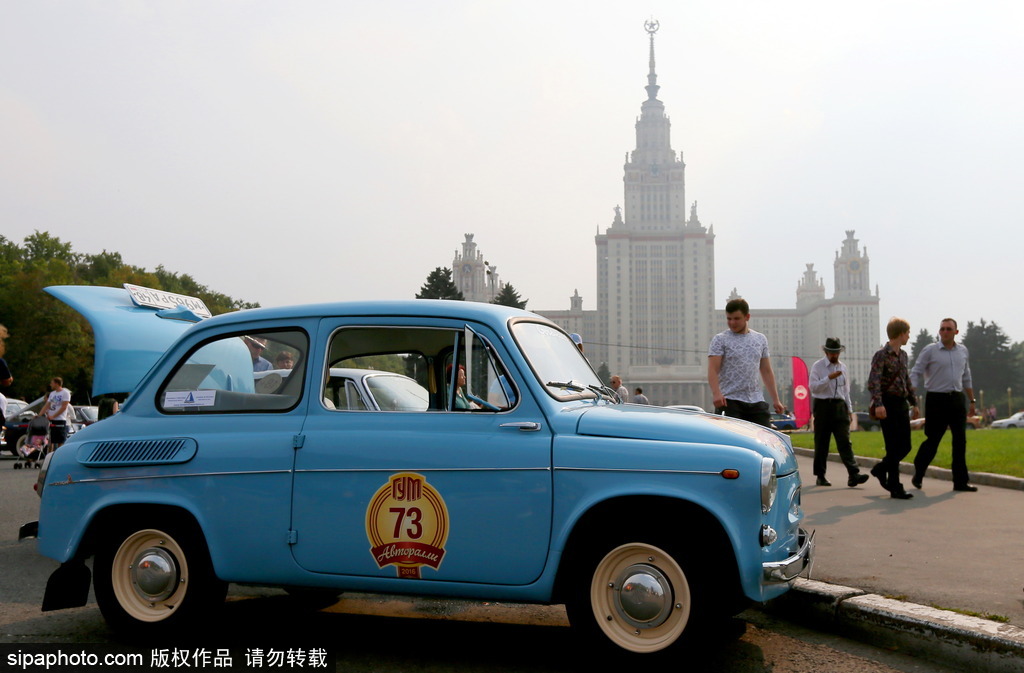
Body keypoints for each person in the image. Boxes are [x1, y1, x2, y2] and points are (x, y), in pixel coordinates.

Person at [910, 318, 977, 492]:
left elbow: (966, 376)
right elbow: (916, 371)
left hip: (956, 399)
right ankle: (919, 470)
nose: (945, 332)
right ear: (939, 332)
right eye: (942, 329)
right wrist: (911, 395)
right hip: (936, 400)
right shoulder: (930, 350)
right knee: (933, 440)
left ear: (956, 332)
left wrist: (971, 400)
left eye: (948, 329)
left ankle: (960, 482)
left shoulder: (962, 351)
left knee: (960, 441)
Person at [707, 298, 784, 427]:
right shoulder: (720, 340)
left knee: (762, 438)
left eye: (736, 319)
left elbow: (766, 371)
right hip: (729, 400)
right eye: (729, 319)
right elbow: (713, 369)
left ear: (747, 317)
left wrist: (776, 399)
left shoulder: (760, 339)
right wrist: (716, 393)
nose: (732, 323)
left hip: (755, 400)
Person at [867, 318, 919, 499]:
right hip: (887, 404)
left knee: (905, 445)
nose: (909, 336)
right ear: (900, 333)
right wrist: (879, 404)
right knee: (893, 446)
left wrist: (914, 402)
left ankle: (880, 469)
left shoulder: (904, 356)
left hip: (901, 404)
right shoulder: (881, 355)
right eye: (907, 333)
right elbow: (873, 381)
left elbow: (907, 380)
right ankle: (895, 486)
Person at [810, 338, 868, 487]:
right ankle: (820, 475)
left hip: (839, 406)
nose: (834, 356)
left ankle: (853, 473)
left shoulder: (843, 367)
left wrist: (849, 410)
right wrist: (828, 378)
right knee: (822, 442)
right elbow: (813, 388)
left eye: (836, 353)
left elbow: (846, 391)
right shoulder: (818, 366)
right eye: (831, 353)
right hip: (823, 406)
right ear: (826, 352)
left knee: (844, 441)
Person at [43, 376, 72, 450]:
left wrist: (54, 416)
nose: (50, 384)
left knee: (60, 441)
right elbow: (47, 405)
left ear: (56, 383)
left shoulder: (65, 393)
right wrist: (40, 415)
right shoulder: (52, 394)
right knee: (51, 440)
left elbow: (64, 407)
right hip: (51, 420)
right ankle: (50, 456)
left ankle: (59, 457)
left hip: (60, 420)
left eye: (52, 383)